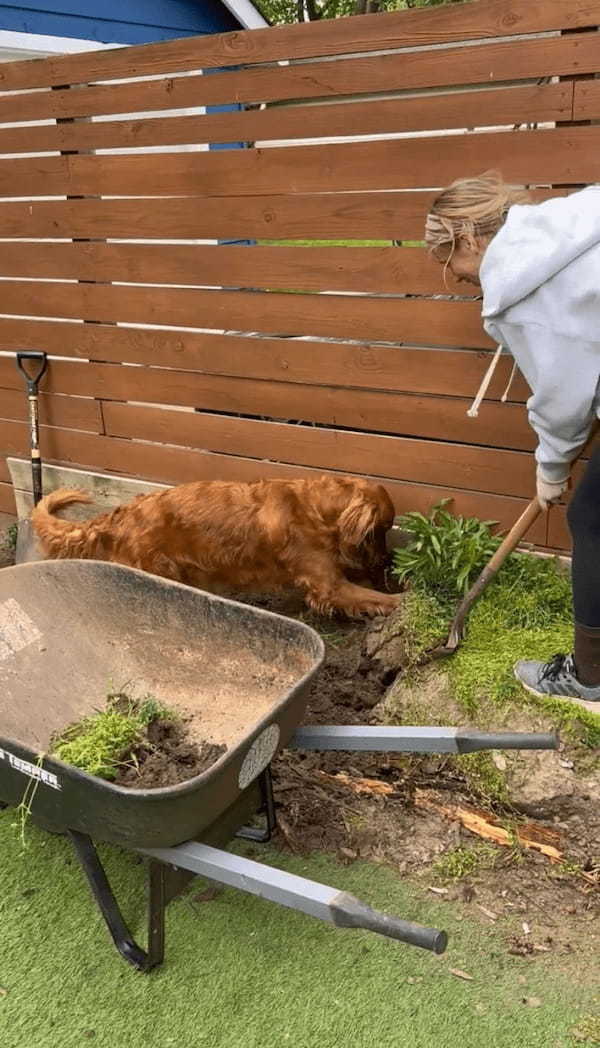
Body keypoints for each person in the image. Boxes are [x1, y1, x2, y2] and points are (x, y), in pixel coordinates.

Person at [424, 172, 600, 709]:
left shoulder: (519, 283)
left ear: (469, 239)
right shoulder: (573, 220)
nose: (453, 277)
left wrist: (551, 469)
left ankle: (590, 677)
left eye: (446, 258)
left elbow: (563, 395)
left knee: (590, 519)